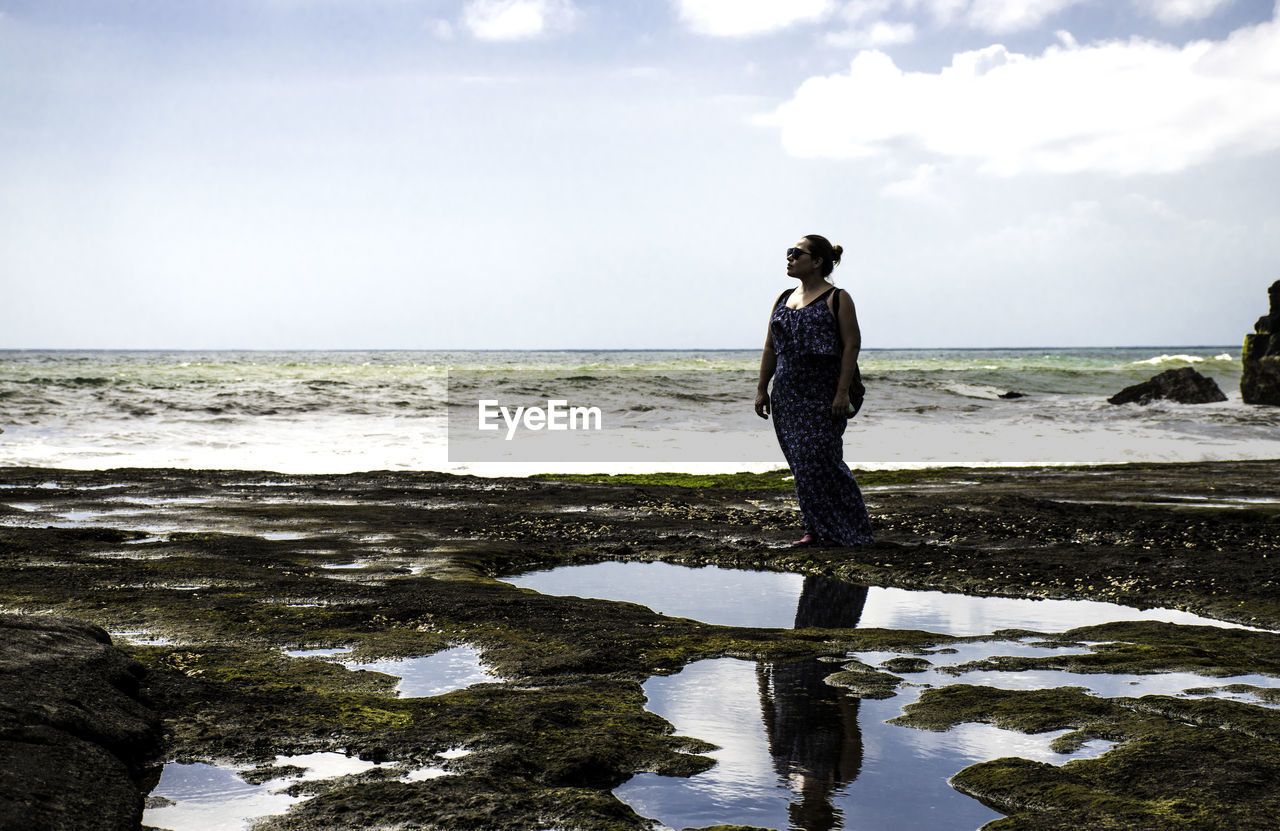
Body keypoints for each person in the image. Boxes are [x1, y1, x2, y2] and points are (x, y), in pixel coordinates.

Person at [755, 235, 874, 546]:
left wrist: (842, 392)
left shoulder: (837, 298)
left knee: (823, 460)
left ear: (817, 261)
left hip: (824, 392)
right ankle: (815, 530)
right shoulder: (783, 298)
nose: (790, 257)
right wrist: (761, 389)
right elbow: (771, 346)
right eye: (789, 252)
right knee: (801, 464)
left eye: (797, 253)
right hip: (786, 393)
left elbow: (852, 345)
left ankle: (853, 530)